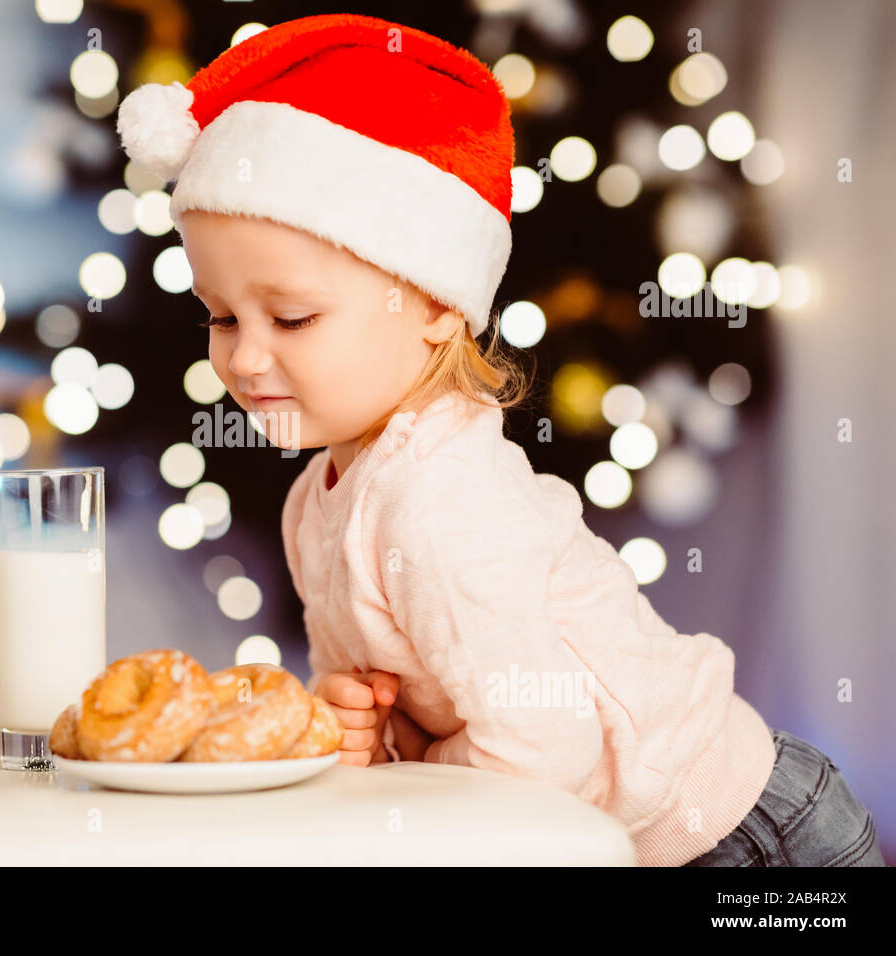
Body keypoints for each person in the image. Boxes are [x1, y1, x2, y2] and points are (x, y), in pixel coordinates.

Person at [115, 12, 885, 867]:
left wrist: (415, 764)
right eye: (221, 316)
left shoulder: (441, 499)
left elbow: (544, 755)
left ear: (438, 307)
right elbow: (398, 709)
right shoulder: (318, 500)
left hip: (746, 834)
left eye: (291, 316)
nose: (244, 356)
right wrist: (355, 720)